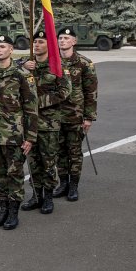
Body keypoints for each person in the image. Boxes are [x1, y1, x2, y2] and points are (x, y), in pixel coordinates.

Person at [0, 35, 38, 230]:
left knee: (15, 174)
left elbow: (31, 107)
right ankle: (2, 209)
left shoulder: (21, 74)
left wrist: (30, 136)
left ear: (11, 50)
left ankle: (13, 212)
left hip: (14, 136)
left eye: (3, 47)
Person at [19, 31, 71, 214]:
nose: (36, 45)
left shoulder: (57, 65)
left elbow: (65, 91)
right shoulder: (25, 64)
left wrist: (38, 102)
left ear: (49, 45)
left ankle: (48, 197)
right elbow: (8, 70)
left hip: (49, 123)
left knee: (48, 161)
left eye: (41, 42)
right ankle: (36, 195)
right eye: (34, 42)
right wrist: (23, 65)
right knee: (33, 162)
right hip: (29, 125)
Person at [52, 27, 98, 201]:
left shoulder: (84, 63)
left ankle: (73, 186)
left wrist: (88, 117)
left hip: (75, 116)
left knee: (74, 152)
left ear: (74, 41)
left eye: (66, 38)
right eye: (60, 38)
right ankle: (63, 183)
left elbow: (91, 92)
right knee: (59, 152)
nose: (62, 41)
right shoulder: (52, 61)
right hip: (55, 116)